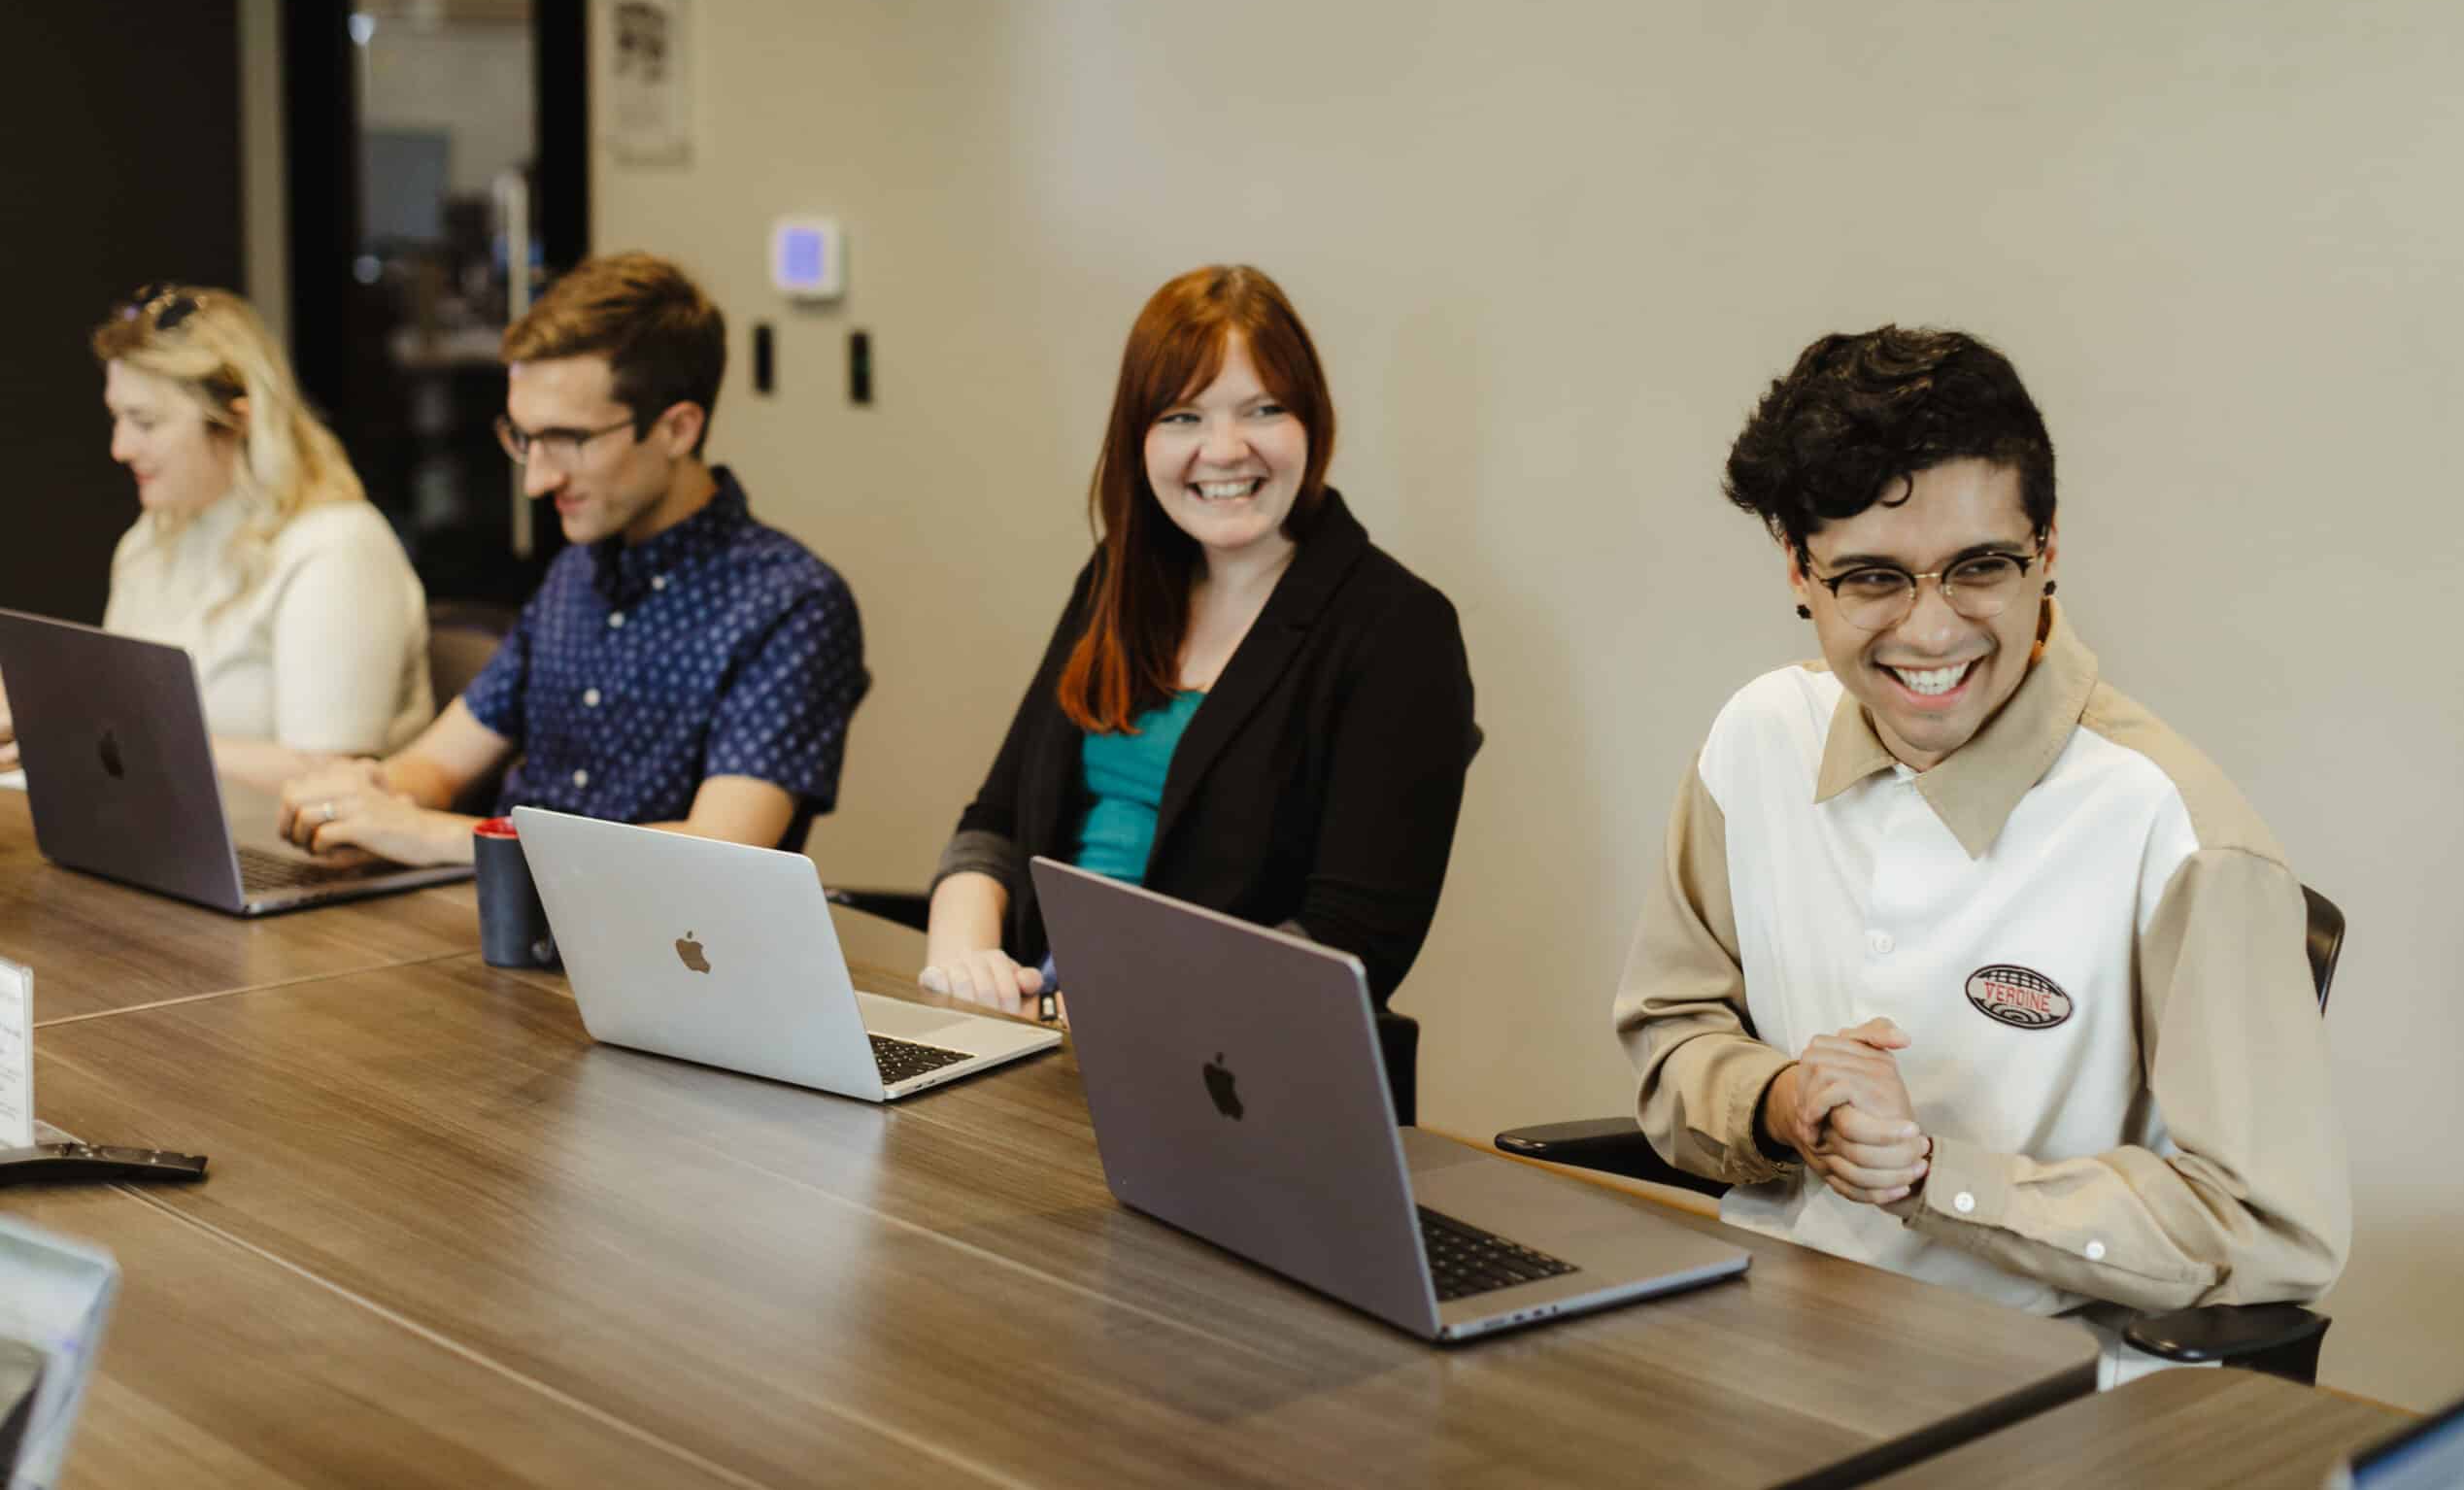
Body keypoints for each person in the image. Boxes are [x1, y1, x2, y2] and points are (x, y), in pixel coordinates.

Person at [1614, 325, 2349, 1328]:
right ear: (1795, 567)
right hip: (1762, 1326)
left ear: (2045, 550)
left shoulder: (2176, 834)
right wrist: (1779, 1103)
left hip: (2043, 1388)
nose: (1929, 630)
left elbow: (2271, 1229)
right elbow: (1671, 1030)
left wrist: (1937, 1179)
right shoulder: (1755, 740)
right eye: (1870, 577)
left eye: (1979, 567)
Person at [919, 265, 1475, 1016]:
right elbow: (994, 825)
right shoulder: (1117, 578)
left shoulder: (1398, 628)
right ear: (1137, 437)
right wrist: (963, 959)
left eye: (1263, 409)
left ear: (1312, 421)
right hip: (1036, 1027)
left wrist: (1135, 1011)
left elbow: (1349, 942)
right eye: (1183, 415)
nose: (1224, 449)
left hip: (1221, 1063)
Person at [275, 252, 865, 864]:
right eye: (524, 438)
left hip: (661, 949)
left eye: (569, 440)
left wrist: (439, 836)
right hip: (504, 919)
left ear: (677, 430)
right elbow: (438, 765)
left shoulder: (791, 602)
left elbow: (722, 849)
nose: (536, 480)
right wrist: (363, 798)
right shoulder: (575, 572)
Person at [0, 284, 430, 790]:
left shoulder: (337, 547)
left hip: (304, 857)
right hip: (172, 838)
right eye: (117, 417)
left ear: (236, 420)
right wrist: (41, 715)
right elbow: (117, 723)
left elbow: (329, 779)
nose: (120, 447)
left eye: (145, 421)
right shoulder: (148, 543)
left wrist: (87, 731)